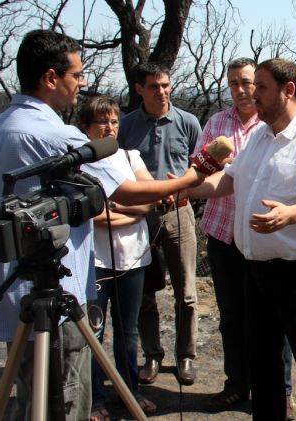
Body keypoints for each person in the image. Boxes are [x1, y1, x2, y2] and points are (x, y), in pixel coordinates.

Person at [0, 30, 204, 421]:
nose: (80, 83)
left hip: (9, 293)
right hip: (52, 299)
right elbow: (129, 192)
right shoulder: (54, 135)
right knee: (64, 397)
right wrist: (193, 178)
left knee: (28, 395)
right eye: (75, 75)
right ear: (50, 78)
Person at [187, 58, 296, 421]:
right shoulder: (261, 135)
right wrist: (185, 188)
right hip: (254, 268)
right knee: (263, 360)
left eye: (261, 87)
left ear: (288, 90)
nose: (252, 95)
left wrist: (289, 214)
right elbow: (229, 181)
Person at [197, 57, 296, 418]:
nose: (242, 90)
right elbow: (202, 170)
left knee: (274, 319)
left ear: (259, 85)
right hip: (224, 236)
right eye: (234, 84)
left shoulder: (272, 123)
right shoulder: (216, 123)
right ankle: (237, 384)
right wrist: (184, 186)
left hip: (262, 238)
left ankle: (281, 391)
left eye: (248, 82)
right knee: (231, 318)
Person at [117, 62, 202, 386]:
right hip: (138, 216)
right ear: (139, 89)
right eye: (154, 86)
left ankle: (186, 356)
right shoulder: (125, 127)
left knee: (187, 291)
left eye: (165, 85)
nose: (162, 91)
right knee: (144, 291)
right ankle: (152, 355)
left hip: (179, 212)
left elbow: (200, 168)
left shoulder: (188, 122)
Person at [79, 97, 157, 420]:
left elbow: (150, 196)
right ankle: (96, 398)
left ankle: (130, 391)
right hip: (96, 261)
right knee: (94, 331)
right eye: (102, 123)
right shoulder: (80, 164)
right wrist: (132, 209)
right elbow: (94, 215)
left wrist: (117, 209)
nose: (110, 127)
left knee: (128, 331)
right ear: (86, 128)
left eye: (113, 121)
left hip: (133, 258)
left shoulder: (130, 156)